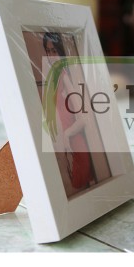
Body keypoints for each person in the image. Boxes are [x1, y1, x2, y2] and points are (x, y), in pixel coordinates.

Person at [43, 32, 96, 190]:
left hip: (73, 139)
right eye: (48, 51)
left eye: (54, 51)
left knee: (79, 181)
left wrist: (67, 134)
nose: (51, 56)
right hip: (62, 140)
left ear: (60, 51)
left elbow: (83, 117)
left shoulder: (63, 75)